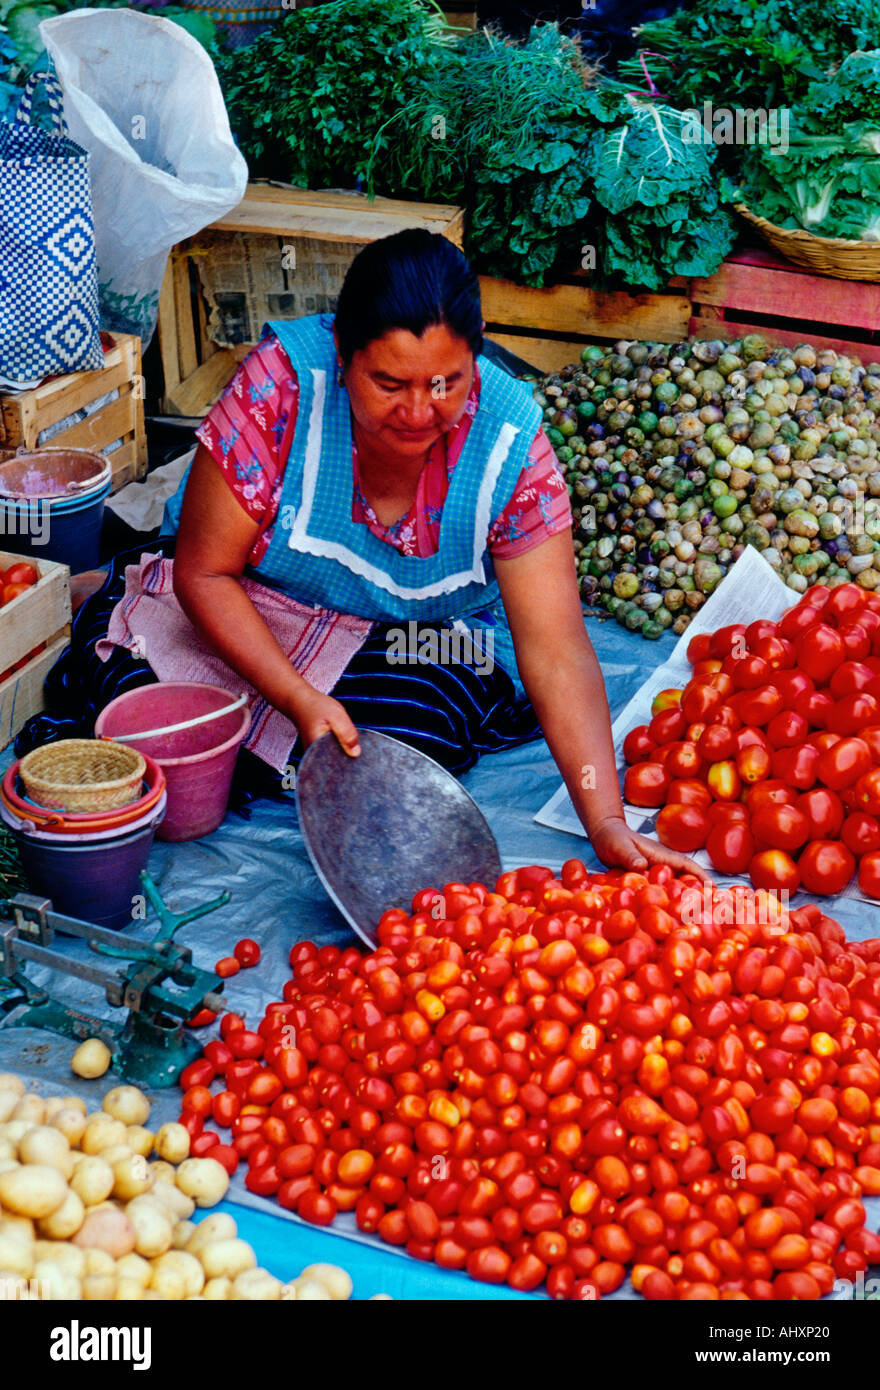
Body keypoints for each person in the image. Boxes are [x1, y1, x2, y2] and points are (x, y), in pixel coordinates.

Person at [20, 230, 703, 877]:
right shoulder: (279, 389)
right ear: (342, 355)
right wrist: (295, 696)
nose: (417, 412)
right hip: (254, 600)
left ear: (477, 358)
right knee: (138, 688)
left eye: (446, 384)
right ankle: (112, 591)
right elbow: (206, 571)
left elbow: (555, 648)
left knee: (416, 733)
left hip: (406, 637)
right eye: (388, 384)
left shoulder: (509, 443)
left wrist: (607, 821)